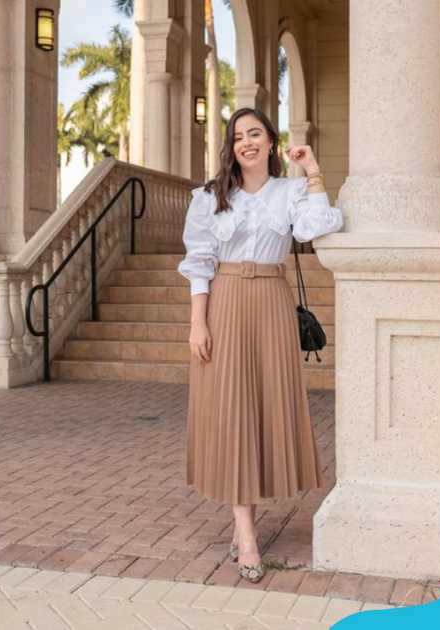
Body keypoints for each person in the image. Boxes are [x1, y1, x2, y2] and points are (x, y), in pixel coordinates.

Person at [177, 107, 343, 583]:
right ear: (230, 149)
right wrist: (198, 323)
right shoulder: (210, 198)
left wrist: (312, 171)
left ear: (271, 141)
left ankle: (245, 523)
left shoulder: (289, 191)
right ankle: (245, 531)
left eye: (255, 133)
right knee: (231, 410)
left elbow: (316, 228)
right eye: (237, 137)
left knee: (261, 408)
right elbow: (200, 262)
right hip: (224, 302)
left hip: (271, 300)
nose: (246, 142)